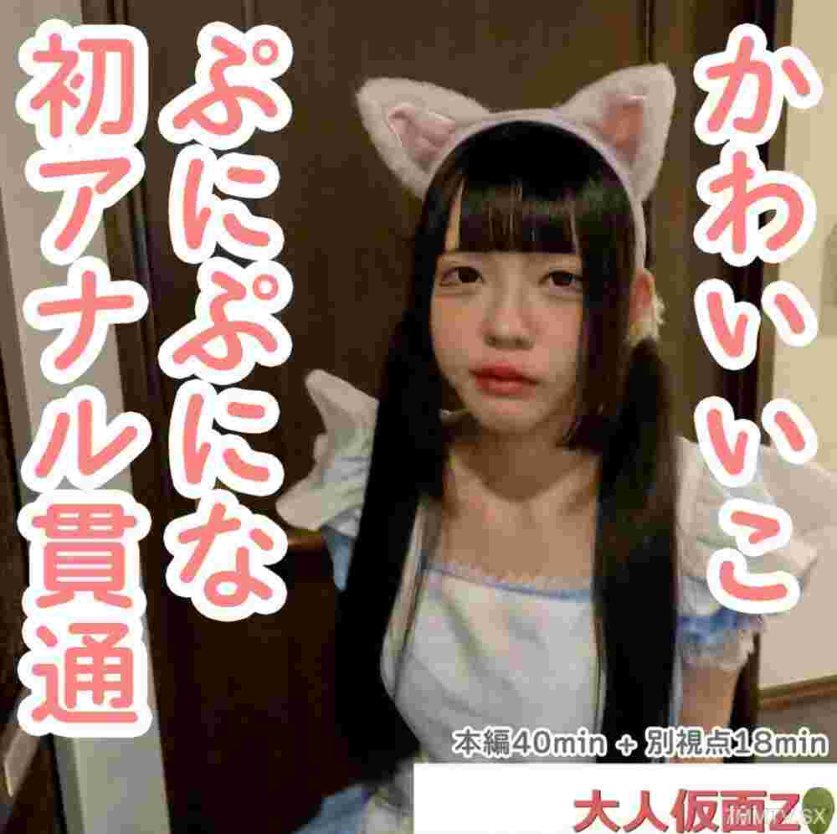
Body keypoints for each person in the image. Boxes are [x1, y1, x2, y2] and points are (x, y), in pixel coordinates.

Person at [276, 65, 834, 834]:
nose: (505, 324)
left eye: (561, 279)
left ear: (633, 306)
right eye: (463, 274)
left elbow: (693, 777)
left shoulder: (702, 520)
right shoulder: (371, 477)